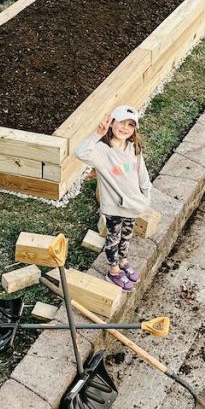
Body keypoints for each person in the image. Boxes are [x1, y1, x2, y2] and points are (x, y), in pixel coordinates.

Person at [76, 105, 152, 292]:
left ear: (134, 129)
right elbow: (80, 153)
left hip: (133, 204)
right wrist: (96, 134)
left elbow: (142, 174)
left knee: (127, 236)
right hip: (114, 207)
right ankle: (114, 270)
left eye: (130, 125)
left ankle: (123, 261)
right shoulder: (101, 150)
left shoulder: (134, 148)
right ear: (112, 123)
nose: (125, 128)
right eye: (121, 123)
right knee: (113, 239)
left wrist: (146, 195)